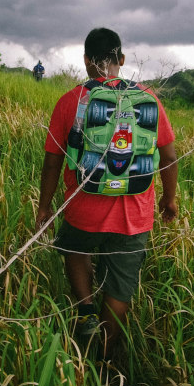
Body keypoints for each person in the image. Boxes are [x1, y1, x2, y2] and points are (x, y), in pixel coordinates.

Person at [36, 27, 178, 362]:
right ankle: (105, 348)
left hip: (83, 208)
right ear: (122, 60)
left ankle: (85, 308)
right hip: (134, 215)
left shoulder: (71, 101)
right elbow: (169, 157)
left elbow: (53, 160)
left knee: (75, 248)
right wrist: (168, 201)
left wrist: (44, 207)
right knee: (121, 283)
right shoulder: (149, 99)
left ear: (86, 61)